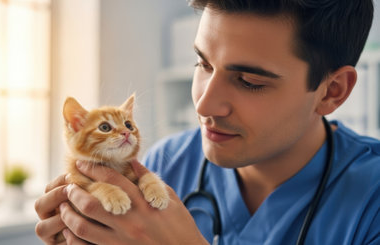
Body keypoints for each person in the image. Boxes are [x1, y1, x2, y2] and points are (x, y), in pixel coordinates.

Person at [34, 0, 380, 244]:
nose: (203, 102)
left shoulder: (371, 199)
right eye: (203, 64)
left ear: (331, 92)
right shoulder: (166, 163)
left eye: (250, 81)